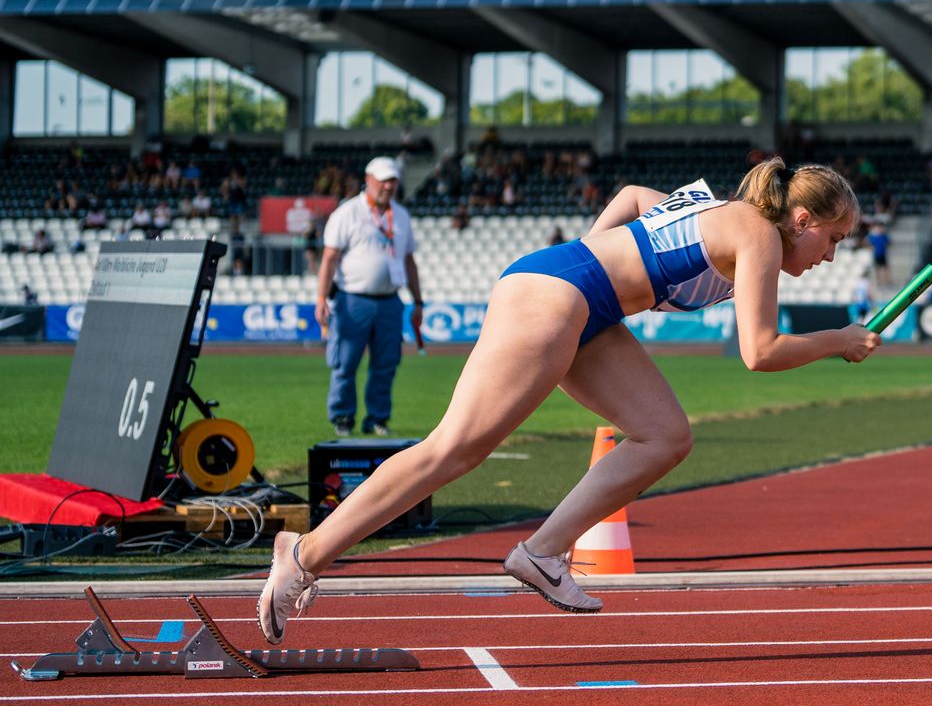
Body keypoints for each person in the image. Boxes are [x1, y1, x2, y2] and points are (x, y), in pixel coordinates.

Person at [258, 157, 873, 642]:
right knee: (454, 450)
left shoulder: (730, 217)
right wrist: (839, 340)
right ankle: (304, 554)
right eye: (834, 239)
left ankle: (544, 553)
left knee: (665, 435)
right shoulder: (758, 231)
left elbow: (633, 195)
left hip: (585, 299)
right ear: (802, 221)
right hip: (561, 292)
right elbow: (759, 351)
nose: (831, 256)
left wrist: (597, 261)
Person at [316, 158, 424, 439]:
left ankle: (377, 418)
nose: (388, 186)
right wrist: (320, 298)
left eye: (393, 181)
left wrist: (418, 300)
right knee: (345, 362)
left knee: (386, 364)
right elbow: (329, 258)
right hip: (352, 299)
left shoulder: (400, 215)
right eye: (383, 180)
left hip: (390, 300)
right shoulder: (347, 212)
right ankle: (342, 416)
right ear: (369, 179)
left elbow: (409, 260)